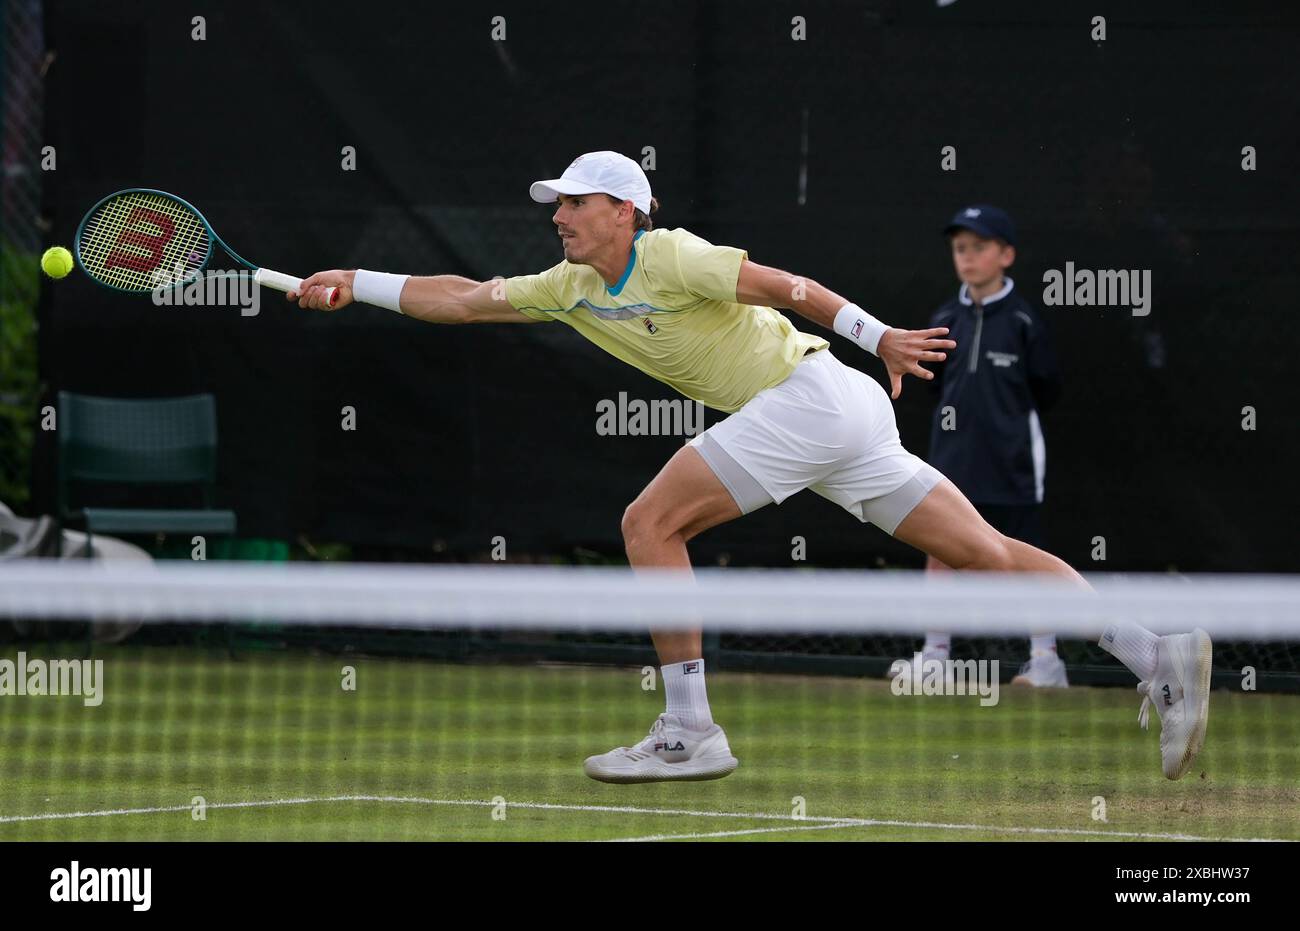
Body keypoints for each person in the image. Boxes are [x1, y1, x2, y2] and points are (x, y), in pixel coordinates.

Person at [289, 151, 1211, 782]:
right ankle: (1154, 652)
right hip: (832, 415)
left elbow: (788, 289)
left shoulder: (672, 252)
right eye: (557, 205)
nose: (560, 216)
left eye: (574, 202)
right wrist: (353, 282)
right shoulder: (566, 287)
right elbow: (460, 298)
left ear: (625, 211)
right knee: (987, 551)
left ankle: (689, 726)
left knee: (647, 524)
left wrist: (878, 331)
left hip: (816, 395)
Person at [889, 205, 1069, 687]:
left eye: (980, 247)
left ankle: (1046, 660)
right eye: (960, 248)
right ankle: (936, 655)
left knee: (1023, 552)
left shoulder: (1027, 321)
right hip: (952, 459)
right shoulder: (945, 318)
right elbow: (935, 384)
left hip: (1013, 463)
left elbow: (1046, 388)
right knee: (939, 548)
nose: (967, 257)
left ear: (1006, 255)